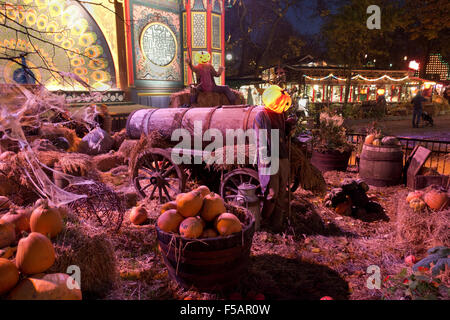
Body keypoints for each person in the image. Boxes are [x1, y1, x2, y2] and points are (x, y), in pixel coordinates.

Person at [253, 85, 294, 233]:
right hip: (271, 159)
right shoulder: (261, 116)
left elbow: (283, 134)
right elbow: (260, 140)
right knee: (272, 194)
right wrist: (266, 162)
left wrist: (289, 126)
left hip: (282, 156)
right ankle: (264, 220)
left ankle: (277, 224)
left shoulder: (281, 114)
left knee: (282, 192)